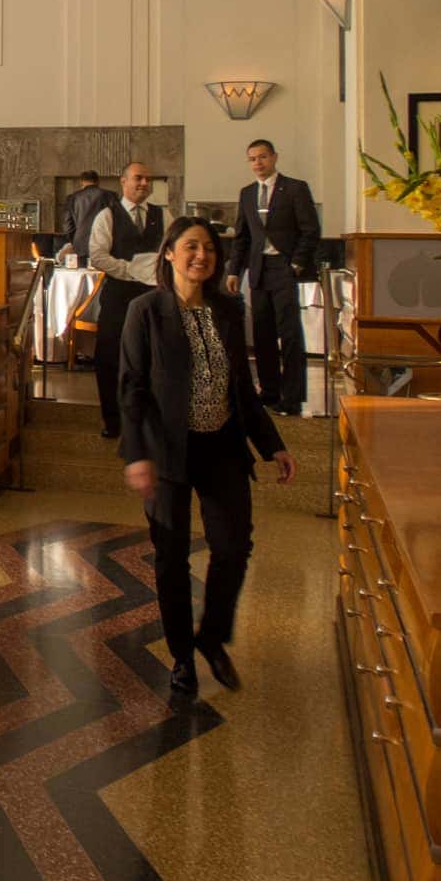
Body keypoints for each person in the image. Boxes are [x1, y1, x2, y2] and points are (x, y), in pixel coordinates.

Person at [120, 216, 296, 696]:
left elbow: (243, 387)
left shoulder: (225, 309)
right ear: (170, 253)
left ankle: (211, 637)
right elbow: (132, 388)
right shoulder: (146, 311)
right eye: (191, 247)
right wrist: (137, 453)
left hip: (221, 445)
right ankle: (182, 657)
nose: (203, 256)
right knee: (171, 558)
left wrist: (272, 443)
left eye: (211, 250)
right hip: (167, 452)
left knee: (234, 546)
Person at [224, 138, 321, 416]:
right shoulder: (246, 193)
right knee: (262, 333)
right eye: (253, 159)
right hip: (258, 269)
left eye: (263, 157)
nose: (258, 163)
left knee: (289, 334)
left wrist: (297, 264)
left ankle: (291, 397)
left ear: (275, 157)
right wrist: (234, 271)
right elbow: (241, 237)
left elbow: (310, 230)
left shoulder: (295, 188)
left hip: (285, 267)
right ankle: (269, 392)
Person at [87, 162, 165, 440]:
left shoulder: (163, 215)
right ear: (123, 181)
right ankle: (113, 420)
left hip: (154, 297)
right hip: (119, 295)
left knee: (154, 358)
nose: (144, 183)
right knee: (109, 357)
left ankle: (149, 420)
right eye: (138, 178)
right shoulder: (107, 216)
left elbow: (172, 251)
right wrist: (132, 270)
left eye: (148, 178)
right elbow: (97, 255)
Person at [58, 169, 116, 263]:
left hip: (81, 246)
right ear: (98, 181)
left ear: (82, 182)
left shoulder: (72, 198)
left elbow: (68, 225)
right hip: (106, 246)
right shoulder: (111, 196)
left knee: (83, 275)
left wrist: (75, 241)